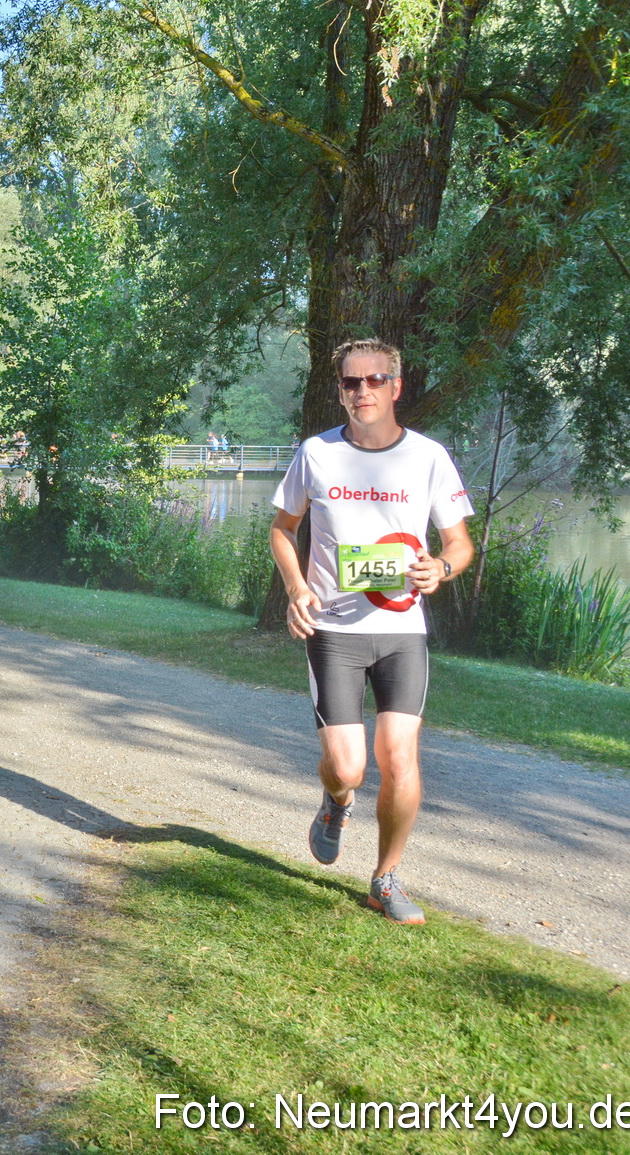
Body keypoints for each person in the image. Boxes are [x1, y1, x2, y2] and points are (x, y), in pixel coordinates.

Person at [270, 338, 474, 925]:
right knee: (349, 768)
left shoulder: (428, 457)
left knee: (399, 755)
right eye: (351, 382)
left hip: (402, 631)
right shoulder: (316, 453)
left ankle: (385, 879)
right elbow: (282, 530)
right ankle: (336, 801)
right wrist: (297, 589)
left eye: (375, 380)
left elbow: (459, 544)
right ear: (340, 391)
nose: (363, 391)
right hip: (333, 630)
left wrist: (441, 568)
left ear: (396, 386)